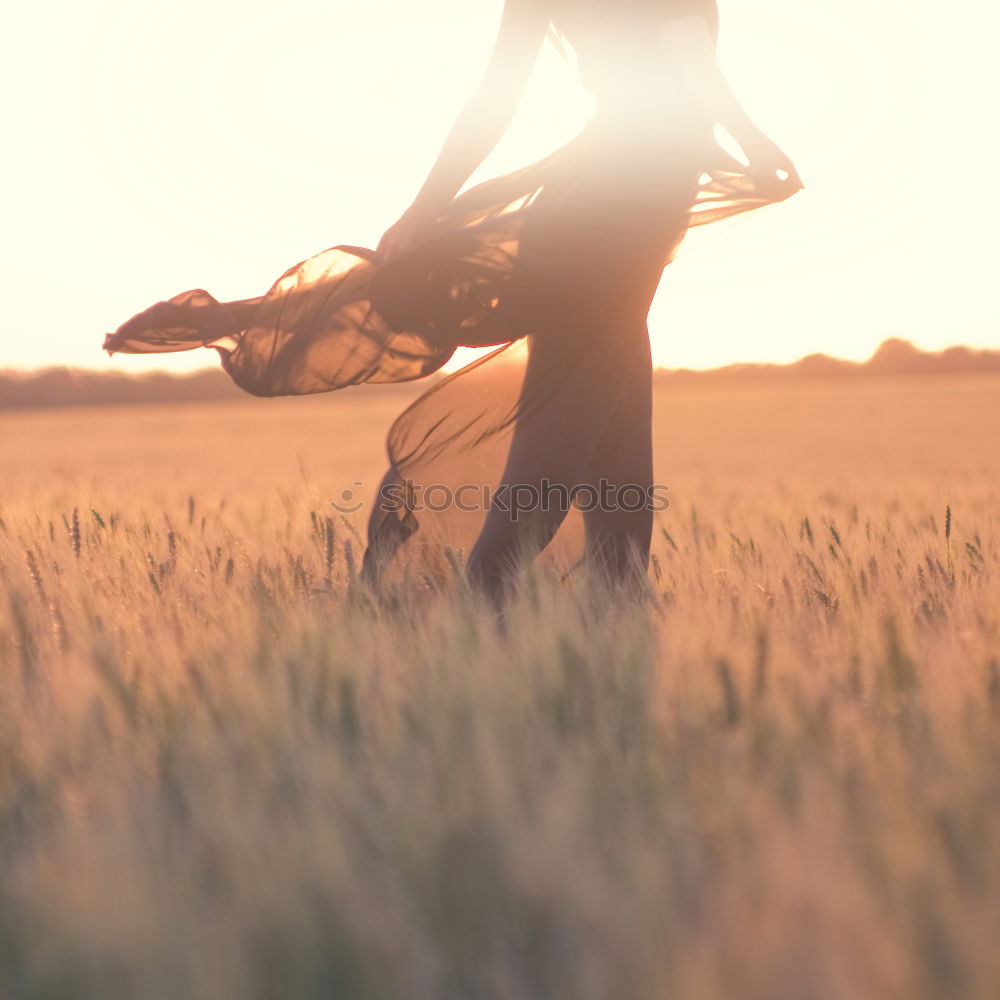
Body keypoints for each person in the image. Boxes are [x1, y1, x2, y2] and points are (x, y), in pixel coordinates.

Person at [104, 0, 803, 608]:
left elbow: (493, 99)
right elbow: (684, 51)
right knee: (577, 395)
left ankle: (614, 600)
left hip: (594, 183)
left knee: (611, 384)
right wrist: (751, 138)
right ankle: (490, 594)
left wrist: (428, 205)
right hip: (633, 190)